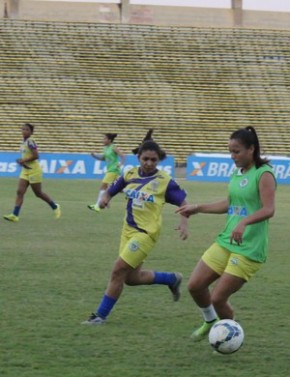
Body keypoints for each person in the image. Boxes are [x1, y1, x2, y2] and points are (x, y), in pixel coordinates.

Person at [176, 126, 276, 341]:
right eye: (230, 151)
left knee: (218, 299)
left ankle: (231, 338)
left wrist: (244, 223)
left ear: (251, 149)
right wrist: (198, 207)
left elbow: (269, 209)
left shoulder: (264, 173)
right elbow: (230, 204)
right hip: (226, 241)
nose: (232, 156)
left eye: (237, 151)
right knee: (195, 286)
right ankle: (211, 321)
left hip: (249, 248)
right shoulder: (236, 172)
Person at [82, 140, 189, 325]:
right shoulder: (129, 173)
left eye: (153, 160)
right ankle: (171, 278)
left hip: (146, 234)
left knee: (117, 271)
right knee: (131, 278)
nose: (149, 163)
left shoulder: (165, 182)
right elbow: (111, 190)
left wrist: (184, 222)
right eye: (145, 159)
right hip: (127, 231)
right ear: (138, 157)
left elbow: (185, 204)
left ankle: (99, 316)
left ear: (158, 160)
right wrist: (105, 199)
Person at [3, 123, 61, 222]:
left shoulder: (31, 141)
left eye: (27, 130)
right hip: (25, 170)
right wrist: (21, 161)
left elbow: (36, 155)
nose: (24, 131)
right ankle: (15, 215)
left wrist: (23, 160)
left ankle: (54, 206)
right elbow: (26, 155)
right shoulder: (23, 142)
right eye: (23, 129)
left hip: (34, 170)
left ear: (31, 132)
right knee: (19, 192)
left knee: (38, 193)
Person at [88, 133, 125, 212]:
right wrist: (94, 156)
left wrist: (121, 164)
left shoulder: (113, 147)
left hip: (113, 170)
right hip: (110, 170)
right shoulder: (105, 148)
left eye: (105, 139)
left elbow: (122, 155)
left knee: (103, 186)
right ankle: (132, 194)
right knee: (120, 189)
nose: (103, 140)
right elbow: (103, 158)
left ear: (109, 140)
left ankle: (97, 206)